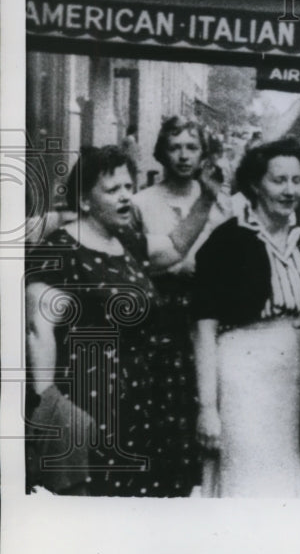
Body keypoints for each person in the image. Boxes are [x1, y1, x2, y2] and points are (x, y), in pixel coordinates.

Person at [24, 146, 193, 496]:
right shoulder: (60, 251)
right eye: (112, 189)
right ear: (85, 200)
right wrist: (53, 413)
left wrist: (206, 195)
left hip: (142, 400)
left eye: (129, 187)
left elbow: (176, 246)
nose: (125, 197)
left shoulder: (126, 241)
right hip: (91, 403)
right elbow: (39, 332)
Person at [192, 139, 300, 498]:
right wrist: (208, 408)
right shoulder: (228, 240)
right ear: (256, 184)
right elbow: (203, 327)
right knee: (249, 481)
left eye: (297, 180)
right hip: (244, 382)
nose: (290, 190)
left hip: (295, 384)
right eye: (279, 180)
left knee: (292, 478)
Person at [131, 116, 232, 495]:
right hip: (165, 317)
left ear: (204, 153)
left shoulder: (219, 200)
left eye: (192, 147)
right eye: (175, 147)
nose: (184, 155)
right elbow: (138, 261)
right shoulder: (141, 202)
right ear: (162, 152)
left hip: (214, 316)